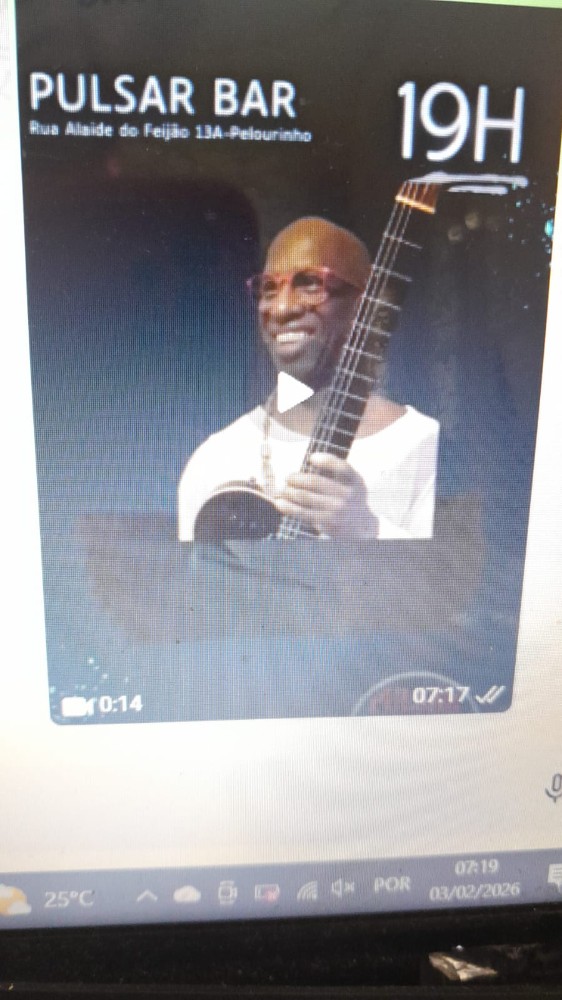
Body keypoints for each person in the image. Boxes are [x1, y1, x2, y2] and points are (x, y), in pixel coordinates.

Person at [178, 217, 439, 540]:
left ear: (364, 307)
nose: (281, 308)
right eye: (269, 289)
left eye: (310, 284)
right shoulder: (215, 459)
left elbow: (458, 572)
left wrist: (366, 529)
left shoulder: (426, 446)